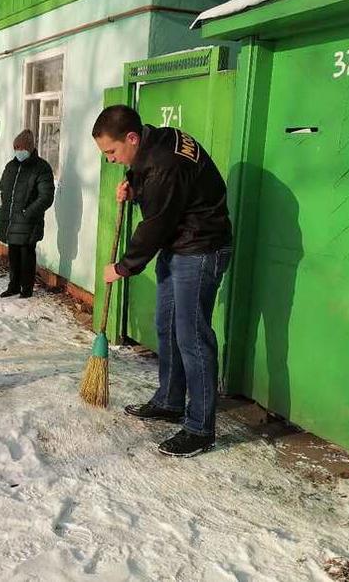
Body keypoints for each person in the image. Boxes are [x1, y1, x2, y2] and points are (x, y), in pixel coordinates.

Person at [92, 105, 232, 457]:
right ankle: (170, 400)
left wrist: (123, 267)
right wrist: (133, 189)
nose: (110, 160)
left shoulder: (165, 164)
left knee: (192, 336)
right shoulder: (157, 142)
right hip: (181, 244)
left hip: (200, 248)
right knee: (166, 324)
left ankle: (201, 428)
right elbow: (158, 189)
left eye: (112, 152)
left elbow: (155, 225)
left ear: (132, 138)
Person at [0, 129, 55, 299]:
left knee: (26, 255)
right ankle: (13, 286)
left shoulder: (41, 168)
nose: (17, 151)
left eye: (20, 147)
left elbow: (46, 197)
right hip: (12, 220)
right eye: (15, 147)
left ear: (29, 148)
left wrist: (28, 213)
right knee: (13, 255)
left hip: (28, 222)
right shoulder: (11, 166)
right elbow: (2, 188)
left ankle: (26, 289)